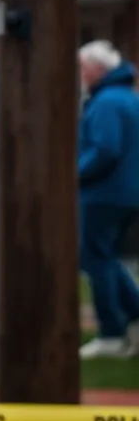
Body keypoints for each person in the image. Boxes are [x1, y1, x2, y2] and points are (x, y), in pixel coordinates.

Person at [75, 41, 139, 359]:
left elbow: (105, 149)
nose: (80, 75)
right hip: (124, 192)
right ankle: (133, 315)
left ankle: (112, 332)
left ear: (98, 68)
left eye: (83, 67)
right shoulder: (126, 97)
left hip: (104, 193)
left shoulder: (107, 102)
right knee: (107, 259)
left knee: (96, 260)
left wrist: (72, 174)